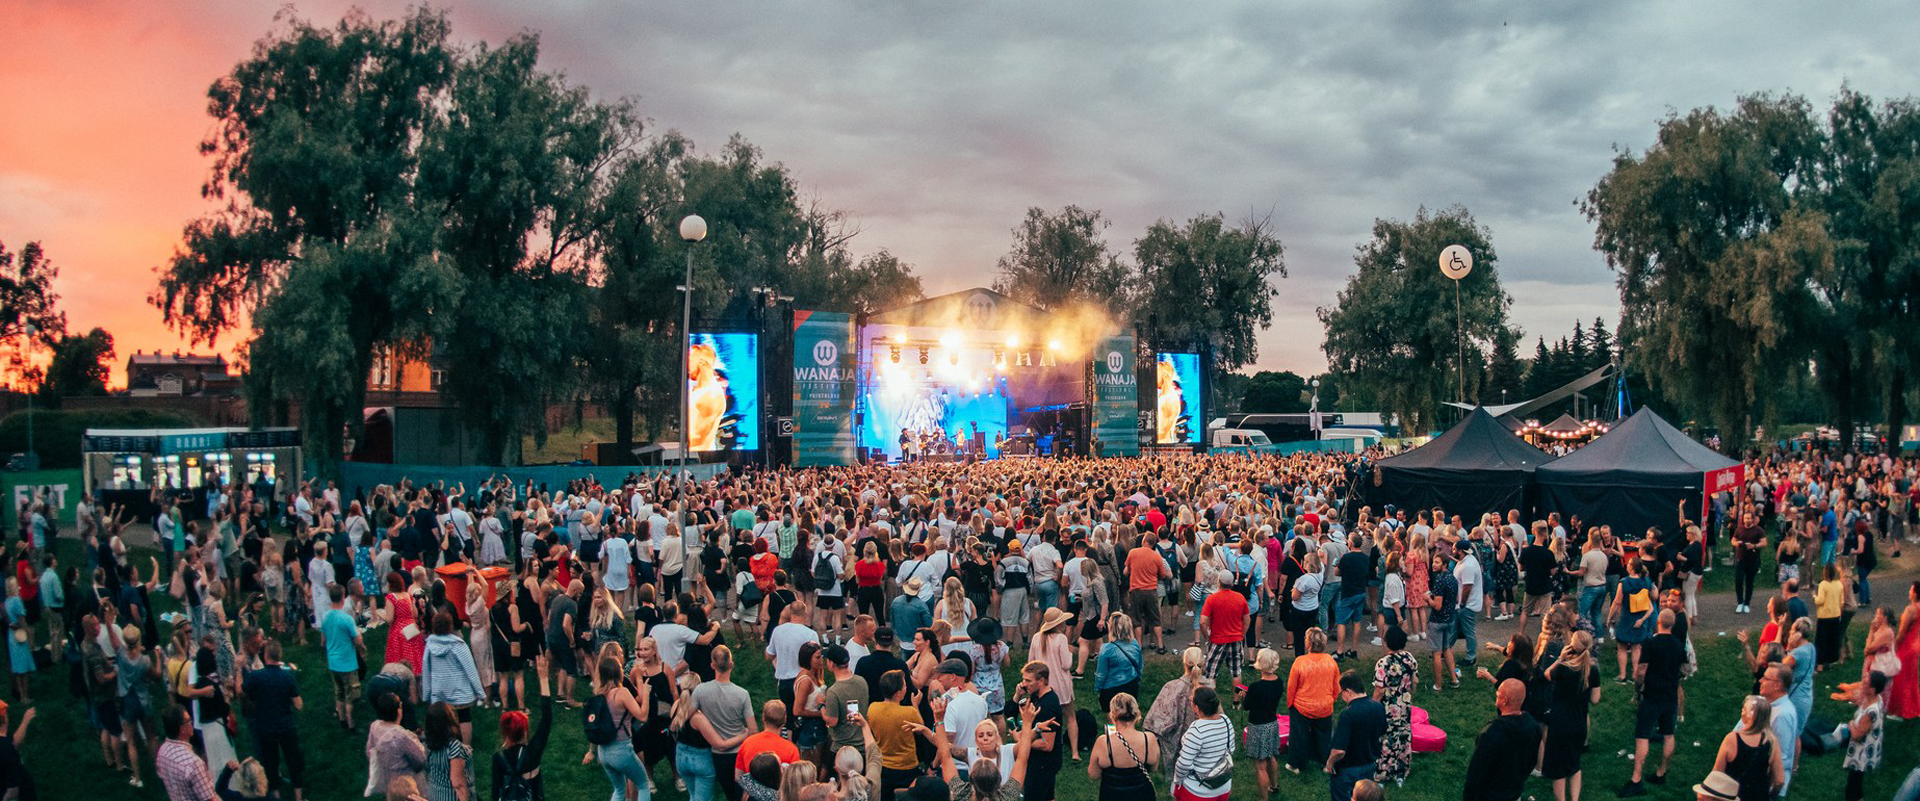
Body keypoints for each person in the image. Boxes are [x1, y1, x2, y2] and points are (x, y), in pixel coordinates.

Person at [1621, 609, 1686, 797]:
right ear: (1672, 624)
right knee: (1668, 734)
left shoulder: (1650, 643)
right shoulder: (1678, 646)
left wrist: (1637, 689)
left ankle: (1636, 779)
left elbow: (1640, 672)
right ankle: (1662, 771)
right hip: (1669, 696)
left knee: (1642, 736)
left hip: (1652, 696)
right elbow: (1682, 670)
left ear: (1658, 621)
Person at [240, 640, 305, 800]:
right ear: (279, 656)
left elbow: (241, 690)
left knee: (271, 763)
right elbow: (298, 705)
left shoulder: (257, 677)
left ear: (266, 655)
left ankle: (276, 796)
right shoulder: (287, 676)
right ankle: (298, 797)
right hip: (285, 726)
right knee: (293, 761)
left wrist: (239, 669)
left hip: (266, 727)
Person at [671, 671, 751, 801]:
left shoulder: (676, 706)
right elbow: (721, 745)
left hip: (681, 756)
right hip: (700, 759)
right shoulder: (698, 718)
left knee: (693, 795)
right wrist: (745, 734)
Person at [693, 646, 755, 801]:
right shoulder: (742, 694)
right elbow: (753, 729)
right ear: (731, 664)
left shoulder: (700, 690)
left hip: (718, 755)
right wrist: (745, 733)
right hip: (741, 753)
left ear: (712, 665)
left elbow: (687, 713)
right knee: (743, 794)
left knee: (729, 793)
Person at [1462, 679, 1541, 801]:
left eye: (1498, 692)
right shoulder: (1534, 726)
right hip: (1514, 792)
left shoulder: (1492, 733)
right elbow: (1531, 761)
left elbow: (1476, 774)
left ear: (1504, 700)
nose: (1496, 694)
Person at [423, 611, 486, 745]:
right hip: (459, 688)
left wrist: (427, 693)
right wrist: (480, 692)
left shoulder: (429, 644)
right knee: (464, 717)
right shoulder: (458, 644)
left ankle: (445, 747)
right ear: (450, 626)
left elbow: (426, 668)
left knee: (442, 719)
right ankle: (466, 748)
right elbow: (470, 669)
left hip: (439, 689)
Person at [1287, 628, 1341, 776]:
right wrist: (1330, 700)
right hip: (1325, 706)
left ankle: (1296, 764)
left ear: (1309, 644)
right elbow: (1337, 686)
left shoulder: (1300, 662)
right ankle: (1325, 762)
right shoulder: (1331, 661)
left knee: (1299, 735)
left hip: (1302, 707)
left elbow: (1292, 687)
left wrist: (1290, 704)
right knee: (1324, 735)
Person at [1326, 670, 1387, 801]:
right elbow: (1382, 733)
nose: (1341, 696)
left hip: (1348, 770)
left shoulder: (1348, 714)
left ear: (1348, 692)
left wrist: (1330, 763)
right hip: (1370, 765)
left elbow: (1339, 751)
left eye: (1341, 692)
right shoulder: (1378, 707)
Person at [1710, 695, 1784, 801]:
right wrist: (1771, 795)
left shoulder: (1732, 739)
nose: (1742, 712)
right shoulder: (1772, 742)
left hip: (1731, 796)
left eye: (1744, 709)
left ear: (1751, 715)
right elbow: (1780, 781)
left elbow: (1716, 773)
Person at [1143, 646, 1205, 771]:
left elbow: (1155, 722)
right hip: (1203, 745)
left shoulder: (1171, 687)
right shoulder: (1208, 690)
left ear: (1184, 662)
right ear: (1203, 664)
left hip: (1175, 744)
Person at [1371, 625, 1418, 786]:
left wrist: (1371, 706)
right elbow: (1414, 682)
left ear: (1386, 642)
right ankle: (1401, 771)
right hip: (1404, 704)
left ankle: (1383, 773)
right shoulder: (1409, 658)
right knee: (1403, 737)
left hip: (1388, 708)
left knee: (1386, 739)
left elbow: (1379, 690)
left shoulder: (1383, 664)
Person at [1087, 692, 1156, 801]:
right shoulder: (1149, 739)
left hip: (1112, 795)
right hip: (1142, 795)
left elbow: (1093, 774)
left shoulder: (1104, 742)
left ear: (1112, 715)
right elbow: (1154, 768)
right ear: (1137, 714)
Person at [867, 669, 924, 801]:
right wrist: (916, 705)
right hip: (907, 766)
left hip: (883, 766)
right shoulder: (909, 712)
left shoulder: (873, 708)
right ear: (899, 693)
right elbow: (921, 729)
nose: (906, 687)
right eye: (904, 685)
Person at [492, 684, 554, 801]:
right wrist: (544, 679)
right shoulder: (533, 752)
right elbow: (547, 719)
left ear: (504, 732)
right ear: (525, 731)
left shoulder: (498, 758)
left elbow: (495, 792)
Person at [1237, 647, 1285, 796]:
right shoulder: (1279, 682)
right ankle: (1274, 786)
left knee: (1260, 765)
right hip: (1272, 723)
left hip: (1258, 726)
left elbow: (1247, 707)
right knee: (1271, 755)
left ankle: (1263, 798)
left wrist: (1244, 696)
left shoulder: (1255, 687)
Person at [1173, 686, 1234, 801]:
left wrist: (1177, 780)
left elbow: (1184, 764)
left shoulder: (1196, 730)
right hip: (1223, 786)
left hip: (1198, 791)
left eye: (1191, 701)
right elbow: (1231, 749)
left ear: (1196, 707)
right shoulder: (1226, 720)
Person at [321, 587, 367, 731]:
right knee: (350, 696)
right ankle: (351, 724)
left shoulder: (325, 617)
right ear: (342, 597)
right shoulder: (346, 619)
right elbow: (358, 639)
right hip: (347, 663)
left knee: (339, 693)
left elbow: (323, 641)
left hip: (333, 662)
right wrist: (362, 650)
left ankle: (342, 721)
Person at [368, 684, 427, 794]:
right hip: (408, 782)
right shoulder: (401, 736)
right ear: (398, 711)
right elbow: (420, 762)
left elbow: (370, 751)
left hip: (389, 779)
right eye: (400, 705)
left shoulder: (375, 726)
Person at [1839, 671, 1886, 801]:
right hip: (1867, 744)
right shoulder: (1875, 698)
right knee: (1857, 780)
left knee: (1853, 783)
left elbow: (1856, 736)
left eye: (1865, 683)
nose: (1861, 683)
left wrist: (1851, 724)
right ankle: (1859, 797)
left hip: (1862, 753)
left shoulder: (1871, 712)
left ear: (1872, 689)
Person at [1124, 532, 1172, 653]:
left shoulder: (1133, 553)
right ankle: (1160, 645)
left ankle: (1139, 645)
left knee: (1137, 619)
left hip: (1136, 590)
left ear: (1144, 541)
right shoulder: (1157, 556)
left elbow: (1126, 571)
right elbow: (1163, 574)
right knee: (1155, 619)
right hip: (1151, 590)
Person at [818, 645, 869, 759]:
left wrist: (821, 705)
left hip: (843, 748)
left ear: (831, 663)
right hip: (863, 742)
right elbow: (852, 713)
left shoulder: (834, 692)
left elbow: (832, 721)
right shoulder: (861, 681)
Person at [157, 705, 217, 801]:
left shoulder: (162, 751)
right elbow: (209, 799)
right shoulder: (194, 763)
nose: (192, 723)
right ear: (182, 729)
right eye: (189, 720)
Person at [1199, 575, 1248, 681]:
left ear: (1219, 582)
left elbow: (1203, 622)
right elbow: (1247, 620)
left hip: (1217, 639)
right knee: (1237, 673)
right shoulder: (1240, 597)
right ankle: (1238, 697)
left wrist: (1207, 637)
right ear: (1231, 584)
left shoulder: (1212, 599)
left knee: (1210, 673)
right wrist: (1242, 634)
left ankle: (1210, 697)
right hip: (1236, 639)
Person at [423, 702, 474, 801]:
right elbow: (458, 783)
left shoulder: (428, 745)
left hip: (434, 794)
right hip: (452, 797)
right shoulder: (454, 747)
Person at [1093, 613, 1142, 710]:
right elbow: (1139, 665)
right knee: (1129, 714)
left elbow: (1101, 674)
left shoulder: (1106, 649)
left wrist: (1098, 689)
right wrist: (1137, 680)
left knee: (1112, 717)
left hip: (1110, 688)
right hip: (1131, 683)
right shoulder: (1135, 644)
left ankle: (1113, 726)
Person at [1890, 581, 1920, 720]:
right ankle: (1914, 707)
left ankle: (1900, 711)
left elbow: (1902, 632)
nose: (1909, 592)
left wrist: (1894, 648)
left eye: (1910, 590)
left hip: (1907, 646)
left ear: (1915, 593)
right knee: (1911, 678)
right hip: (1916, 646)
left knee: (1900, 677)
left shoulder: (1911, 609)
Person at [0, 700, 36, 801]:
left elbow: (13, 743)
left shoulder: (4, 741)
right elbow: (12, 792)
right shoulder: (6, 748)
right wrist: (25, 721)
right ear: (4, 719)